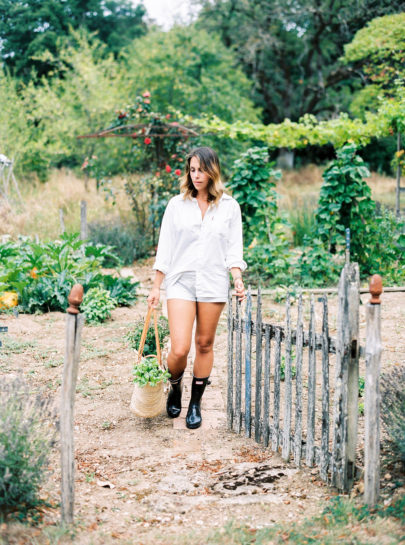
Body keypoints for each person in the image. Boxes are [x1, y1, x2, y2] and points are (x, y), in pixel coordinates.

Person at [147, 146, 246, 429]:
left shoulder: (229, 207)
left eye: (201, 169)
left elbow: (233, 250)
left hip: (213, 281)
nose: (196, 175)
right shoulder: (176, 205)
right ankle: (175, 386)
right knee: (179, 348)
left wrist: (237, 278)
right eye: (192, 170)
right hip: (180, 281)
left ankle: (195, 403)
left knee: (204, 343)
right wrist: (156, 286)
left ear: (212, 170)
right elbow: (164, 248)